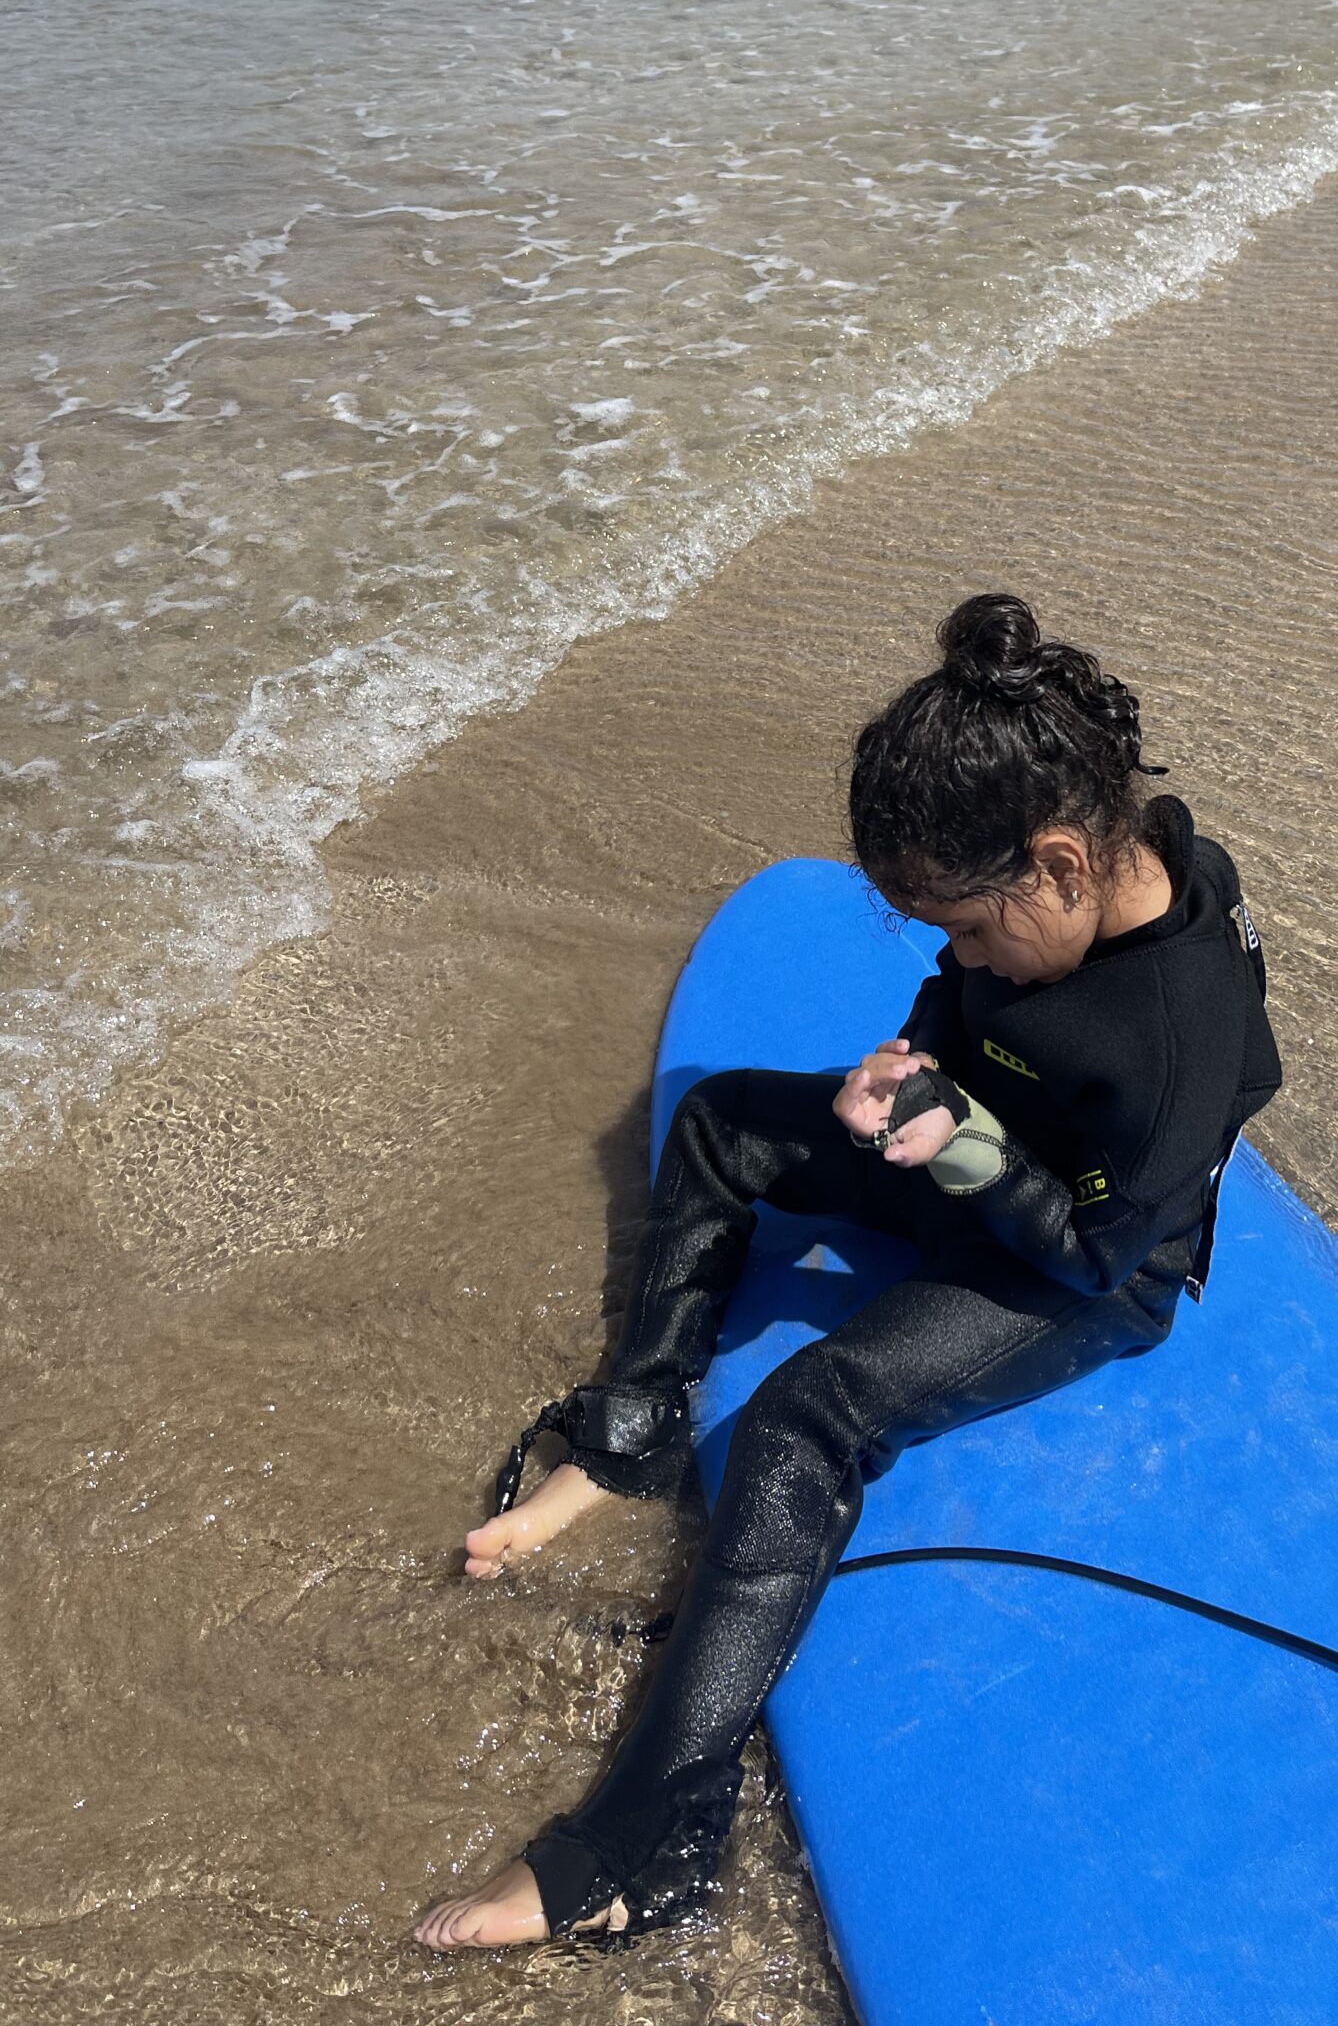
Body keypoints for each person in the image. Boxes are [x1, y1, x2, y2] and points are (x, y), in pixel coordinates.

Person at [412, 593, 1284, 1951]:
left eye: (977, 928)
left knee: (801, 1420)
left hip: (1085, 1268)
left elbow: (1098, 1250)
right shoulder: (1092, 862)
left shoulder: (1173, 1033)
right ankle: (635, 1432)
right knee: (717, 1124)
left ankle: (653, 1840)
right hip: (969, 1144)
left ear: (1061, 866)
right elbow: (959, 991)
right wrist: (919, 1057)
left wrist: (948, 1135)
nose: (964, 952)